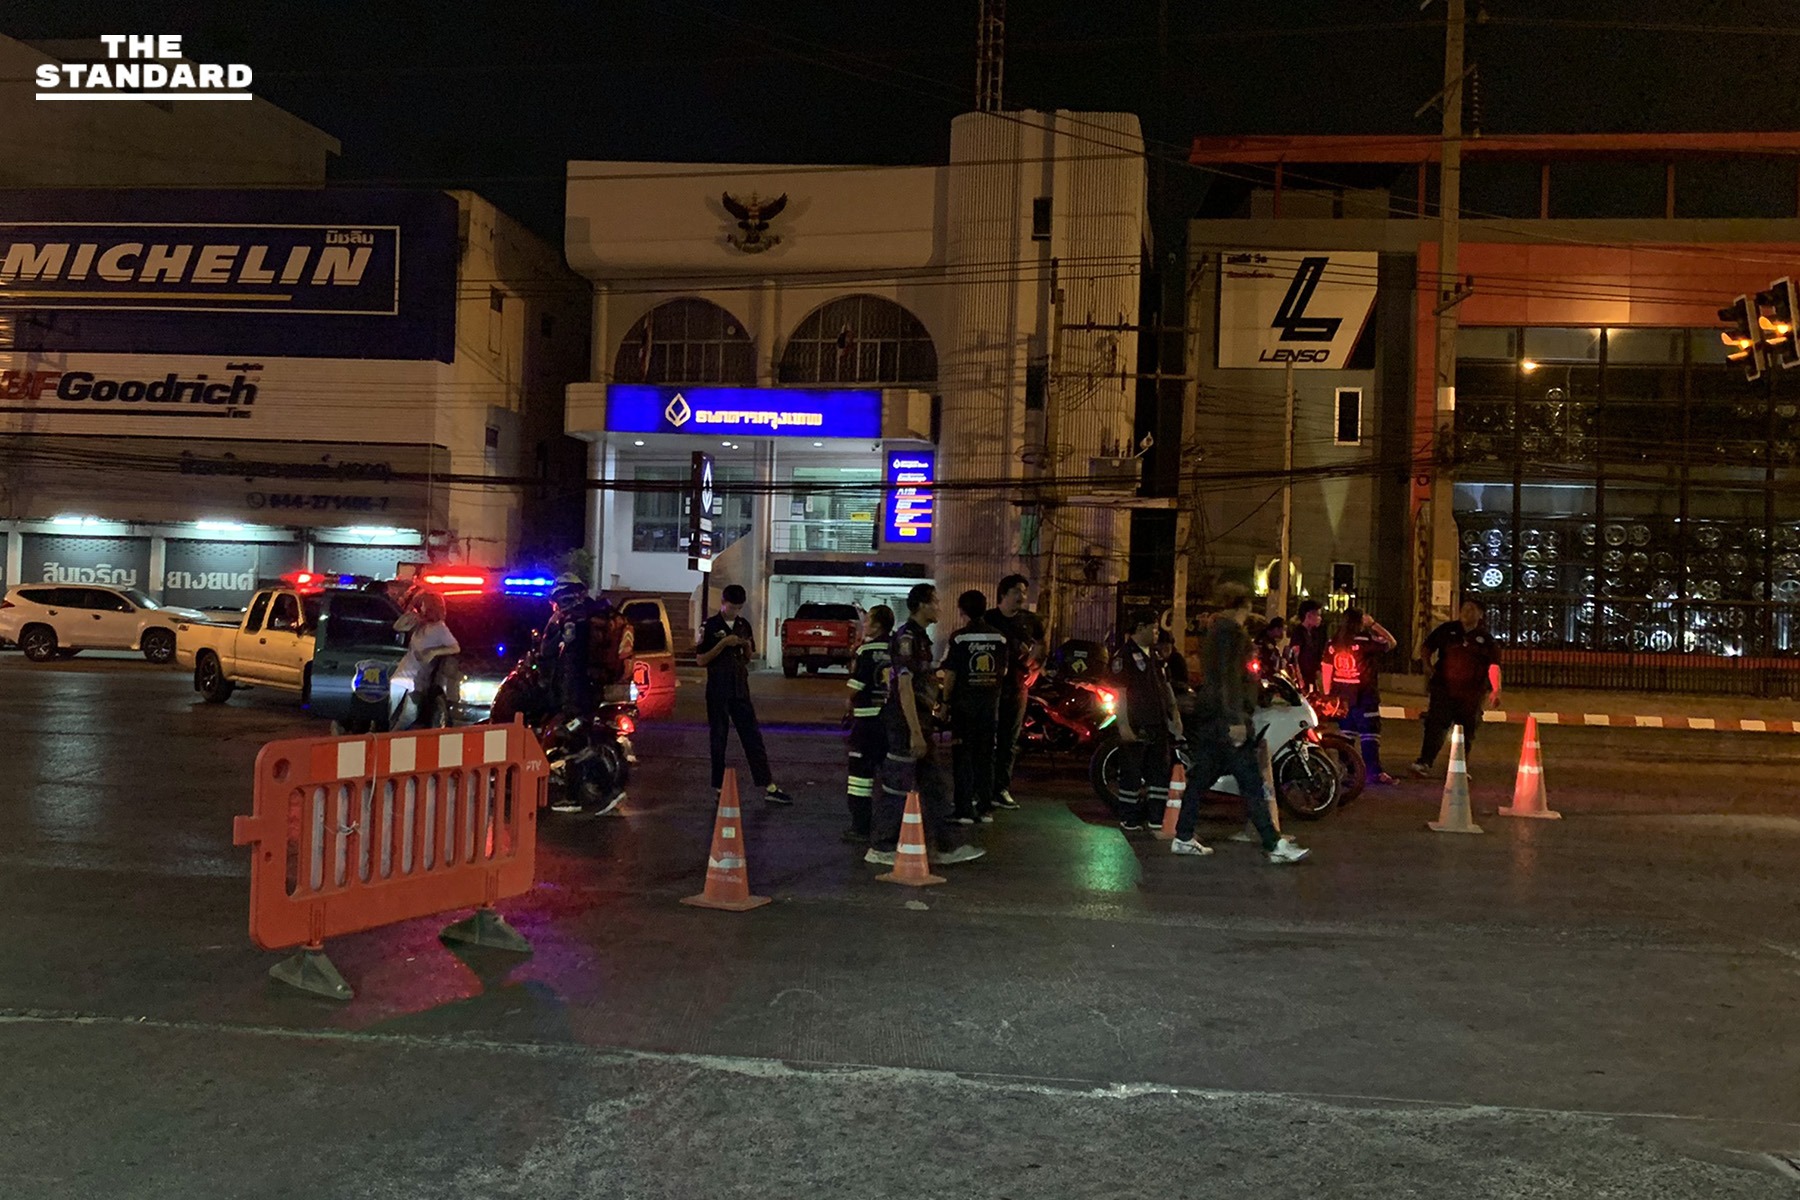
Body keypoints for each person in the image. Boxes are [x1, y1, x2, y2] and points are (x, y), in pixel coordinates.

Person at [1174, 584, 1310, 865]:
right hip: (1227, 719)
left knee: (1201, 779)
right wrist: (1235, 719)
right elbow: (1229, 680)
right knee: (1250, 782)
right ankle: (1273, 844)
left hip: (1213, 717)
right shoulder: (1231, 635)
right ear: (1243, 606)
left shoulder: (1215, 632)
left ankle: (1183, 835)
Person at [867, 584, 984, 867]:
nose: (939, 608)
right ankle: (882, 846)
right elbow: (904, 687)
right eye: (935, 602)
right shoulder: (907, 638)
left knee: (934, 786)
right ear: (921, 605)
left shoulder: (920, 638)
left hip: (919, 720)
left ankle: (946, 846)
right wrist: (915, 733)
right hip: (905, 723)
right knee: (897, 786)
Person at [695, 583, 794, 805]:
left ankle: (768, 785)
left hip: (740, 688)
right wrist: (723, 644)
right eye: (732, 607)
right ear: (723, 603)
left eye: (739, 608)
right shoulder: (710, 626)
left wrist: (746, 645)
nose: (735, 611)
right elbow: (701, 659)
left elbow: (748, 657)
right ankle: (719, 786)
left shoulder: (743, 625)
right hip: (718, 690)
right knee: (718, 738)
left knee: (752, 737)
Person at [1410, 598, 1503, 777]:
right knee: (1435, 726)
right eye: (1464, 609)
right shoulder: (1447, 630)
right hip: (1443, 689)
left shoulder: (1486, 639)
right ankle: (1424, 762)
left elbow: (1493, 666)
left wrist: (1496, 689)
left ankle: (1459, 768)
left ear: (1480, 614)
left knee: (1466, 730)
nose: (1466, 612)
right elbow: (1427, 647)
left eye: (1471, 609)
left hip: (1471, 693)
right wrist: (1427, 666)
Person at [941, 589, 1008, 825]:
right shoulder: (999, 638)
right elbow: (1004, 670)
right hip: (990, 706)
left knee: (963, 756)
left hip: (964, 707)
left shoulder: (959, 638)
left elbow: (951, 674)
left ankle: (963, 809)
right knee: (985, 756)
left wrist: (945, 703)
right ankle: (985, 807)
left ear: (962, 611)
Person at [1112, 608, 1181, 832]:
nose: (1156, 632)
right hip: (1137, 721)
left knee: (1159, 771)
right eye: (1154, 628)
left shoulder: (1155, 655)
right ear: (1140, 628)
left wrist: (1175, 714)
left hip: (1157, 721)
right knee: (1132, 771)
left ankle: (1156, 817)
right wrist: (1123, 724)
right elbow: (1120, 693)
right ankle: (1129, 818)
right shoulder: (1123, 656)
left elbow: (1166, 686)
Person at [1321, 607, 1399, 785]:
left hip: (1342, 699)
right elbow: (1392, 642)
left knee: (1346, 736)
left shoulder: (1333, 642)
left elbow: (1326, 668)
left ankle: (1348, 772)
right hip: (1365, 696)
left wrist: (1328, 696)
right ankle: (1374, 772)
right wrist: (1373, 624)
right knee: (1370, 734)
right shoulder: (1365, 641)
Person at [985, 574, 1042, 810]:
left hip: (1017, 685)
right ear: (1003, 593)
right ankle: (983, 788)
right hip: (990, 686)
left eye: (1024, 592)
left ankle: (1001, 789)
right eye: (1017, 591)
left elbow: (1040, 644)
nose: (1022, 596)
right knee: (987, 738)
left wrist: (1035, 666)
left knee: (1009, 740)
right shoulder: (989, 618)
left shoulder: (1029, 620)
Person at [842, 605, 895, 843]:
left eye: (868, 620)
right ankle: (890, 826)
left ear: (877, 625)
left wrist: (847, 702)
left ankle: (860, 827)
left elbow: (856, 685)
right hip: (890, 721)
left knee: (860, 778)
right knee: (890, 776)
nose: (864, 624)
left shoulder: (866, 650)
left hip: (866, 722)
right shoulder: (897, 647)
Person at [390, 589, 459, 731]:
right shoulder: (420, 623)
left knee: (409, 716)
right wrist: (409, 613)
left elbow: (455, 647)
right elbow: (397, 627)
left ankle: (393, 738)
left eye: (423, 604)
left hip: (418, 680)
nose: (421, 607)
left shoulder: (440, 628)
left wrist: (433, 652)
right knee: (394, 717)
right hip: (401, 676)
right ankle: (390, 738)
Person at [1287, 600, 1329, 691]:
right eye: (1317, 615)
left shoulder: (1315, 634)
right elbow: (1295, 659)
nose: (1319, 618)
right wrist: (1300, 680)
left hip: (1312, 677)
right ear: (1309, 615)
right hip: (1302, 678)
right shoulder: (1298, 634)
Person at [1155, 627, 1189, 692]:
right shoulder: (1152, 660)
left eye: (1166, 649)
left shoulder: (1176, 659)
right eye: (1160, 648)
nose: (1163, 651)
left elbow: (1183, 682)